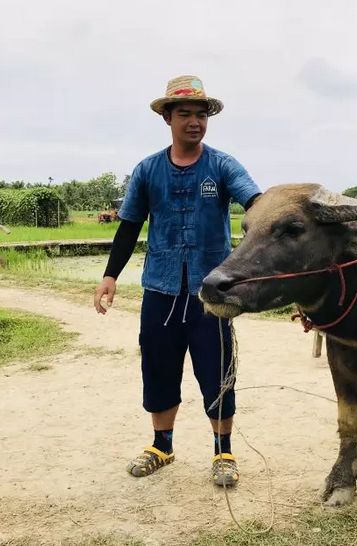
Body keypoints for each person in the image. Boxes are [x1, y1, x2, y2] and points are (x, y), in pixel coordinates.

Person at [93, 75, 261, 486]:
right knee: (159, 368)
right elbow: (129, 226)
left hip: (211, 294)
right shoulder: (148, 169)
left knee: (217, 371)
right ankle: (161, 445)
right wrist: (109, 276)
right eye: (184, 113)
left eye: (201, 115)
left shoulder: (222, 165)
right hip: (160, 290)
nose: (194, 122)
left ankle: (223, 453)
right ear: (167, 117)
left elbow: (255, 203)